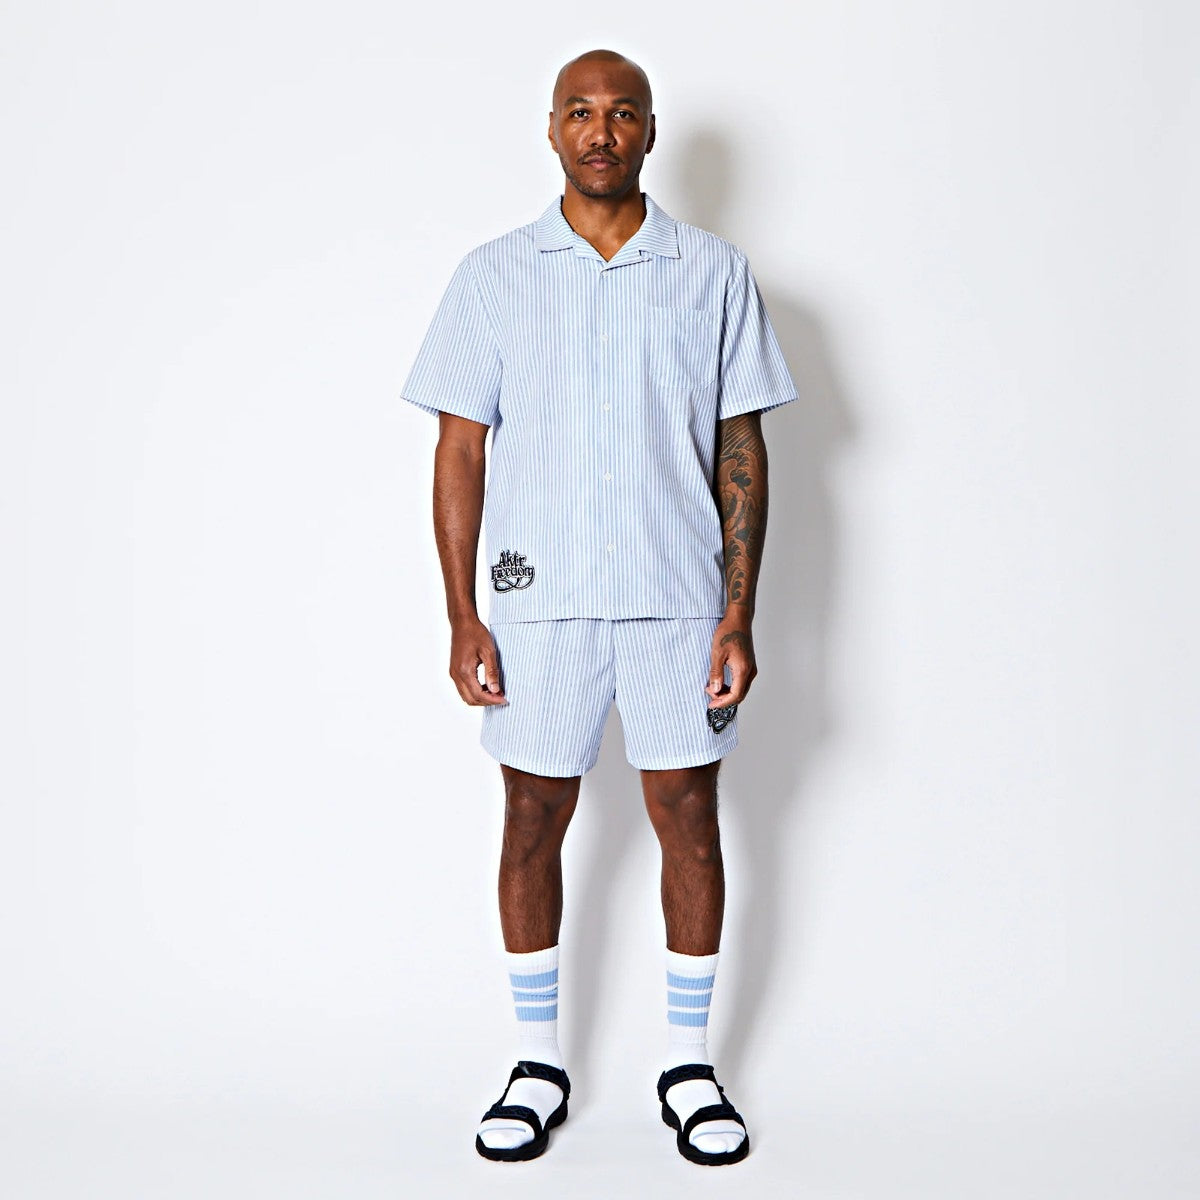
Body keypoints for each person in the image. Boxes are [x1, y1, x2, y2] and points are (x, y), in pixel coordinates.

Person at [400, 48, 796, 1166]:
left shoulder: (713, 272)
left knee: (688, 816)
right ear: (552, 129)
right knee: (532, 816)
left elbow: (741, 447)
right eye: (580, 111)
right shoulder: (494, 275)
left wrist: (737, 613)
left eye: (623, 113)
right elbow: (460, 450)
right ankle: (537, 1062)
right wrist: (462, 614)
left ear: (650, 132)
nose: (602, 131)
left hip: (677, 600)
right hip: (539, 602)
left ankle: (689, 1064)